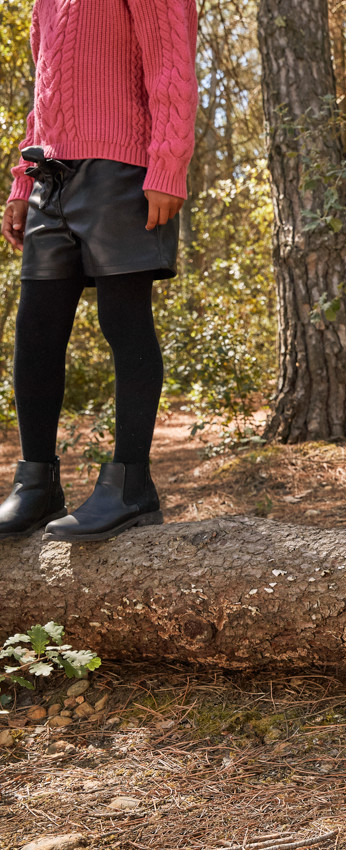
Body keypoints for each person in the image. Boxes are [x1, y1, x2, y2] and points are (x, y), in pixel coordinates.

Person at [0, 0, 198, 542]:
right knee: (35, 328)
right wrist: (21, 183)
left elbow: (172, 65)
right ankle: (36, 483)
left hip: (123, 170)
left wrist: (168, 165)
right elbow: (43, 95)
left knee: (123, 320)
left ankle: (130, 484)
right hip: (50, 177)